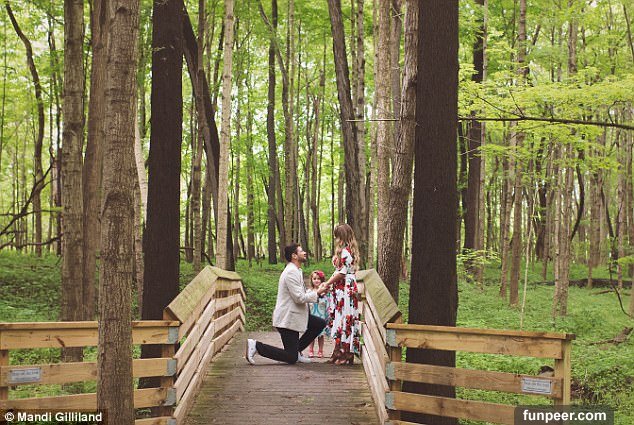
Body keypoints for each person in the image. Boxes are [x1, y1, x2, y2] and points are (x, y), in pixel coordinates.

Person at [245, 243, 330, 365]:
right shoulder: (291, 272)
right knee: (290, 357)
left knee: (319, 323)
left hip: (295, 315)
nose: (305, 253)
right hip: (287, 318)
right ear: (294, 256)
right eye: (301, 251)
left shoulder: (296, 270)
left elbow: (301, 294)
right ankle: (256, 346)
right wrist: (317, 292)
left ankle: (297, 351)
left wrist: (319, 293)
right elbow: (299, 298)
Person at [324, 224, 360, 365]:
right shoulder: (349, 250)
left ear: (341, 237)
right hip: (343, 288)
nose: (336, 239)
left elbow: (342, 273)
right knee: (341, 319)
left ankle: (346, 352)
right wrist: (329, 283)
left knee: (345, 319)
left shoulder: (345, 252)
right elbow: (339, 271)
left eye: (337, 236)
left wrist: (327, 283)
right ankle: (338, 351)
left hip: (345, 289)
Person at [306, 270, 330, 358]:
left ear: (322, 280)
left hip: (321, 315)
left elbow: (327, 303)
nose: (316, 280)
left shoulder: (325, 292)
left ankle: (320, 350)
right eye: (314, 279)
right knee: (311, 335)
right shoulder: (309, 292)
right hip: (312, 314)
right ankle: (311, 350)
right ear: (311, 280)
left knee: (320, 335)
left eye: (319, 279)